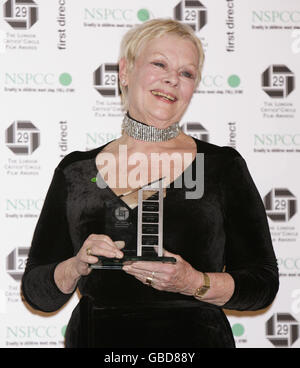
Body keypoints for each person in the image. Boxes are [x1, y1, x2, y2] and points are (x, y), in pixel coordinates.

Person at [21, 18, 279, 348]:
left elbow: (262, 284)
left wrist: (194, 283)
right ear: (125, 71)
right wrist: (74, 266)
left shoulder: (221, 167)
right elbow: (36, 292)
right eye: (160, 63)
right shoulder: (75, 170)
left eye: (187, 73)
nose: (173, 79)